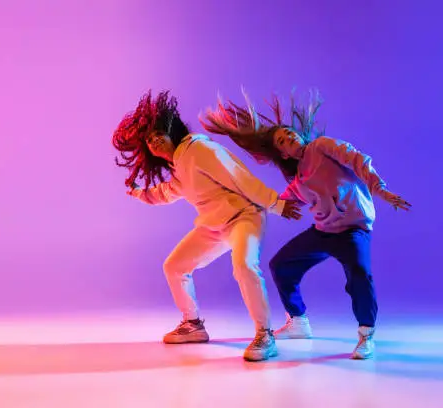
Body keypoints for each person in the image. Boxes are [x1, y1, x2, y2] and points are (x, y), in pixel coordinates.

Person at [200, 89, 411, 359]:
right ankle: (298, 322)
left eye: (289, 132)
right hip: (323, 233)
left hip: (353, 230)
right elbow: (277, 201)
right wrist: (245, 203)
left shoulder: (322, 146)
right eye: (282, 141)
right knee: (281, 265)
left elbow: (356, 159)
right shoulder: (299, 181)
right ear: (283, 154)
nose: (289, 136)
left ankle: (366, 335)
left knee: (359, 272)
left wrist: (379, 189)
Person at [112, 90, 302, 361]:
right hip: (214, 227)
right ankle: (193, 325)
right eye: (149, 141)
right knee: (174, 266)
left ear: (172, 131)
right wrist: (139, 192)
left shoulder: (200, 150)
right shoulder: (179, 165)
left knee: (245, 266)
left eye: (158, 134)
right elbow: (166, 193)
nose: (154, 141)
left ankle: (264, 334)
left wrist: (276, 203)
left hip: (244, 217)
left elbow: (240, 177)